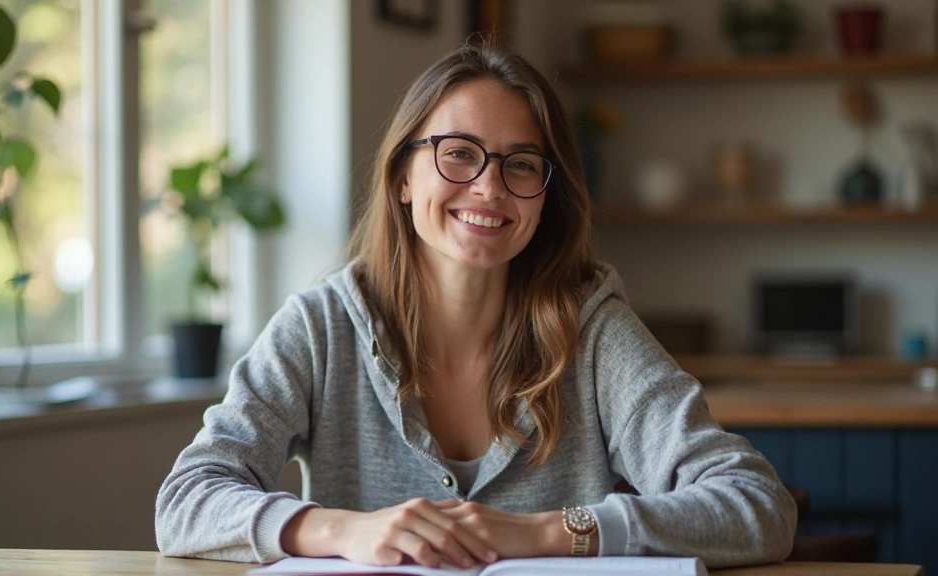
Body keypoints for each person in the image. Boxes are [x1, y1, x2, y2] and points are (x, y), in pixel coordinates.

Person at [155, 41, 796, 569]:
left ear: (545, 197)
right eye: (458, 153)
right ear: (403, 178)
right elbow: (186, 501)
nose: (490, 188)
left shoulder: (594, 330)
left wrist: (549, 532)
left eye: (522, 165)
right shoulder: (320, 327)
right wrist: (340, 530)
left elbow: (756, 504)